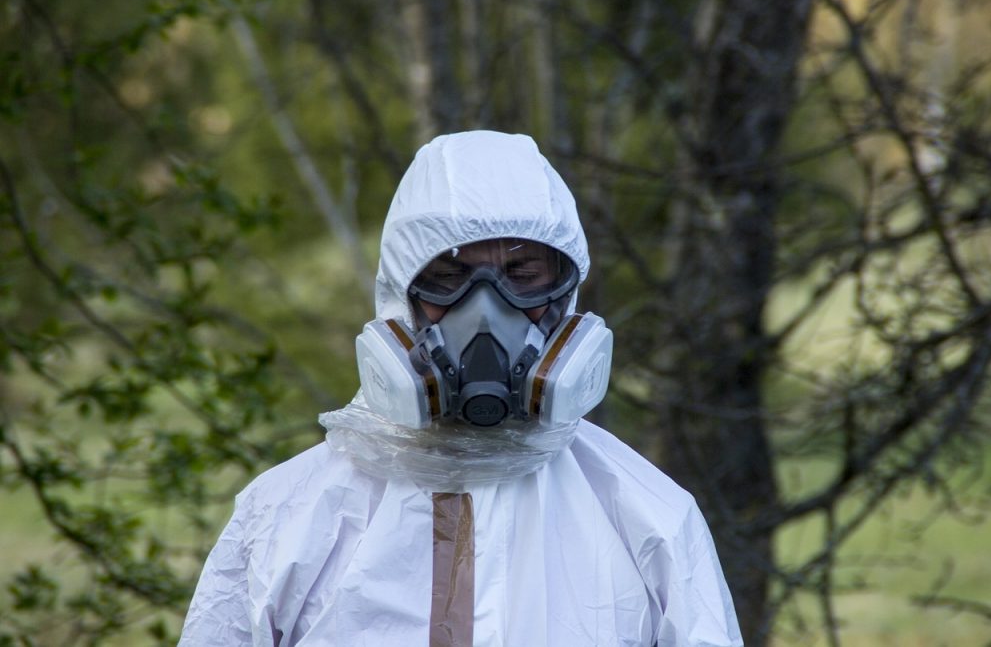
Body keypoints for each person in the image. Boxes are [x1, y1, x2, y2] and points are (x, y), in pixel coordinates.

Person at [179, 130, 743, 646]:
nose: (485, 314)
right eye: (448, 279)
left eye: (522, 278)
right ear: (401, 296)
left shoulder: (648, 519)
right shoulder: (288, 516)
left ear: (566, 300)